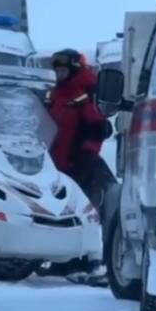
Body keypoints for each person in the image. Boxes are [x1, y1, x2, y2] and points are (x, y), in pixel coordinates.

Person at [45, 49, 115, 209]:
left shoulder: (86, 95)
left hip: (76, 165)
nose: (59, 74)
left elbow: (99, 128)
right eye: (57, 71)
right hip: (51, 162)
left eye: (63, 71)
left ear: (74, 69)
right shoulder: (54, 93)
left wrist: (87, 154)